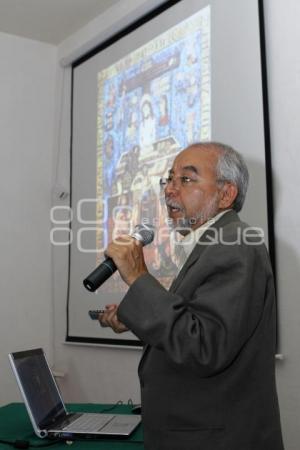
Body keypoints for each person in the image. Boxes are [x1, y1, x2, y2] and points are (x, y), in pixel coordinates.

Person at [99, 142, 284, 450]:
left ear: (226, 194)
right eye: (169, 179)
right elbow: (192, 325)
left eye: (186, 179)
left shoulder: (235, 244)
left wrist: (137, 276)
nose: (170, 190)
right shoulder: (211, 244)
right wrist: (133, 318)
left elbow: (203, 346)